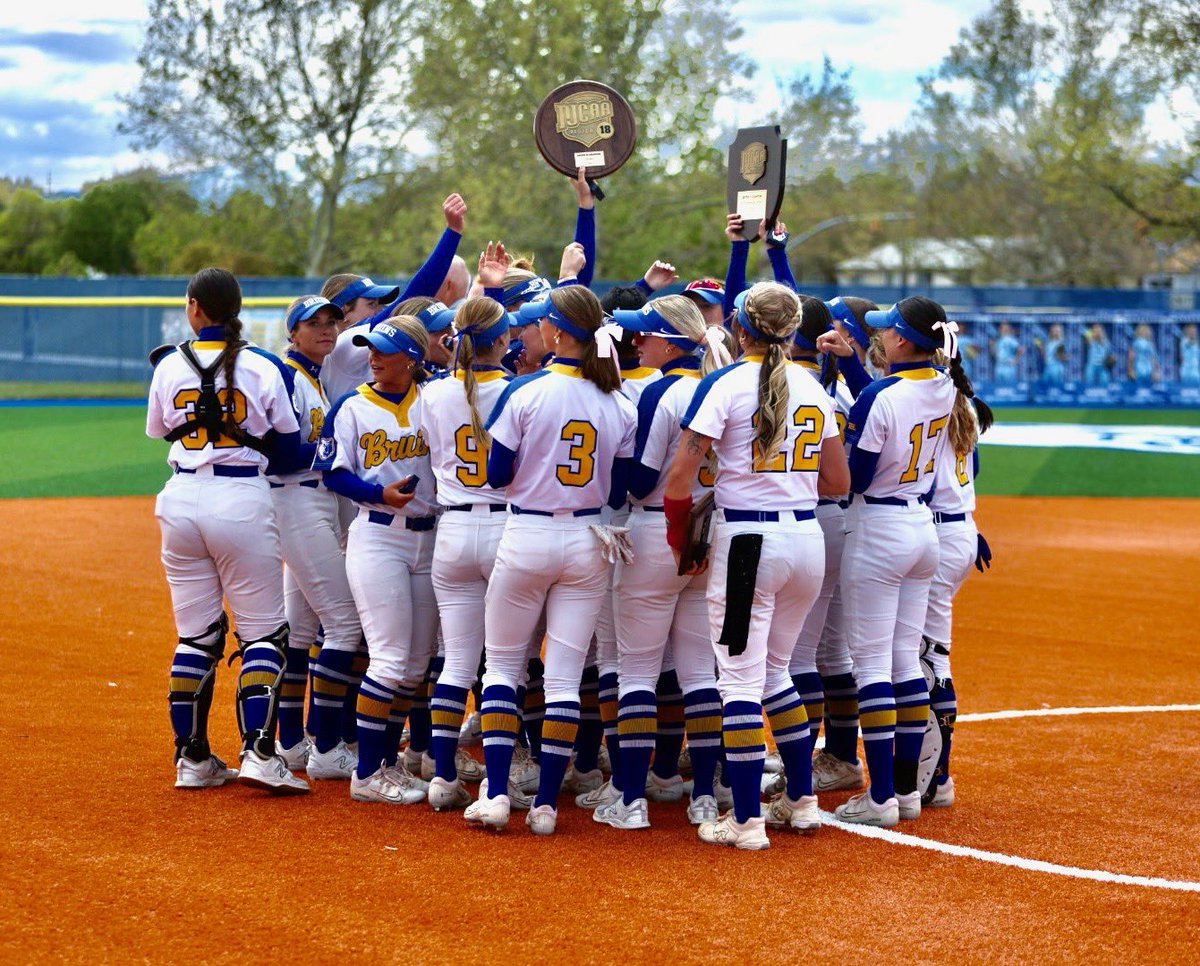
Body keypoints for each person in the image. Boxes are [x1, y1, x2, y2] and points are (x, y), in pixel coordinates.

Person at [664, 282, 850, 850]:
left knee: (740, 682)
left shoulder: (725, 383)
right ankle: (801, 799)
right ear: (792, 331)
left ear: (741, 328)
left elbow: (677, 479)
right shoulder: (813, 386)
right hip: (804, 537)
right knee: (776, 674)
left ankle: (745, 818)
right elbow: (838, 482)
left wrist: (679, 542)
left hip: (747, 541)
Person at [462, 284, 637, 835]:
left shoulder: (525, 390)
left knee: (503, 670)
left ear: (559, 332)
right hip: (588, 537)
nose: (536, 330)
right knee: (564, 680)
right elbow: (626, 485)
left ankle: (495, 793)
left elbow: (496, 475)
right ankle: (545, 806)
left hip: (527, 534)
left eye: (543, 324)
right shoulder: (618, 399)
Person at [146, 267, 308, 794]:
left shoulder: (169, 364)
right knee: (264, 633)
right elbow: (285, 451)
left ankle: (191, 759)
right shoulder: (262, 366)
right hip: (239, 497)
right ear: (237, 310)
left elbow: (160, 430)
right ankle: (260, 753)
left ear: (196, 307)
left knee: (197, 636)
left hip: (179, 498)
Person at [592, 295, 732, 831]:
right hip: (710, 527)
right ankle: (701, 794)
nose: (636, 341)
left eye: (644, 334)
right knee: (700, 670)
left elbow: (643, 480)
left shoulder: (660, 391)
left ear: (668, 341)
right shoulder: (717, 385)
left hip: (658, 529)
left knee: (637, 672)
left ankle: (629, 797)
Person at [834, 295, 965, 828]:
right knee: (905, 662)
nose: (880, 337)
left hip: (878, 528)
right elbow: (890, 398)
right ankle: (907, 792)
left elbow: (855, 478)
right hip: (920, 525)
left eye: (888, 331)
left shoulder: (881, 395)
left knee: (871, 667)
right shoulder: (948, 384)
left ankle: (882, 796)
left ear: (905, 341)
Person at [313, 315, 438, 806]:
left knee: (414, 666)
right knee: (387, 657)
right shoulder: (352, 405)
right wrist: (377, 493)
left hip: (432, 540)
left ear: (412, 358)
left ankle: (387, 764)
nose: (373, 356)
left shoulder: (435, 400)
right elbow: (332, 474)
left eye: (384, 350)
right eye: (372, 348)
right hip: (378, 537)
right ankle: (366, 773)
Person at [421, 273, 516, 812]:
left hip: (453, 527)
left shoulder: (434, 391)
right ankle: (499, 782)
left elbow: (479, 343)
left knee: (456, 663)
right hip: (507, 526)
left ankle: (441, 778)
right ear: (503, 341)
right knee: (505, 664)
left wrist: (487, 301)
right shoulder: (520, 390)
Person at [267, 296, 363, 781]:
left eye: (332, 321)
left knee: (301, 633)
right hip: (297, 500)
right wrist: (334, 446)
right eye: (315, 323)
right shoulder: (288, 376)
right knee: (345, 625)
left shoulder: (314, 376)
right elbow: (280, 456)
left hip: (313, 500)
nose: (326, 329)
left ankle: (290, 743)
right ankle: (327, 746)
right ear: (293, 331)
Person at [921, 354, 994, 808]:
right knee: (934, 654)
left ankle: (937, 776)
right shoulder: (963, 401)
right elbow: (974, 469)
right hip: (961, 527)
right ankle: (936, 772)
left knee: (926, 657)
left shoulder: (927, 401)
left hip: (936, 531)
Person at [992, 322, 1021, 386]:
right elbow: (995, 353)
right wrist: (992, 348)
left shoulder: (1010, 339)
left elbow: (1020, 350)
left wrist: (1015, 360)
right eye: (1002, 328)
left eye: (1006, 328)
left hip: (1008, 368)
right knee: (998, 386)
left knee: (1010, 386)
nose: (1004, 330)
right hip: (999, 367)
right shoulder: (998, 340)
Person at [1084, 323, 1112, 387]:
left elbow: (1109, 355)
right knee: (1089, 383)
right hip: (1091, 365)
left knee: (1104, 382)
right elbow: (1085, 332)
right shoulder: (1090, 340)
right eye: (1095, 330)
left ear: (1102, 332)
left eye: (1099, 331)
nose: (1097, 332)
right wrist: (1092, 333)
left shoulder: (1106, 342)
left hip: (1103, 366)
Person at [1040, 323, 1067, 387]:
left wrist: (1063, 357)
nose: (1055, 332)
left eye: (1057, 331)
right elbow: (1045, 356)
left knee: (1056, 386)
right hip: (1048, 366)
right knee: (1044, 384)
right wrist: (1041, 349)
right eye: (1054, 330)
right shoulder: (1049, 342)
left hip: (1056, 367)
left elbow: (1059, 356)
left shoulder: (1061, 342)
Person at [1181, 323, 1200, 387]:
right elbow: (1191, 342)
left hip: (1196, 372)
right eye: (1191, 330)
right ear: (1187, 331)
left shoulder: (1197, 345)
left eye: (1194, 330)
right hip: (1186, 372)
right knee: (1186, 392)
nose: (1193, 332)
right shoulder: (1184, 341)